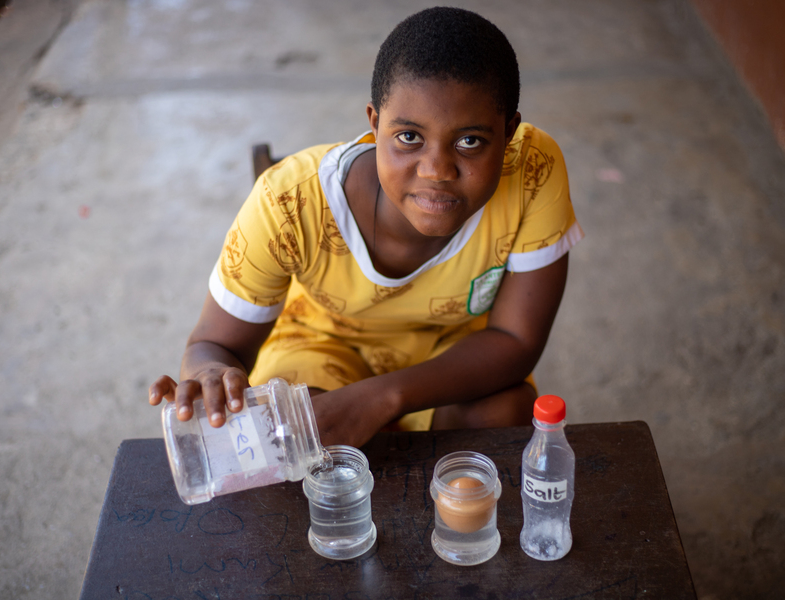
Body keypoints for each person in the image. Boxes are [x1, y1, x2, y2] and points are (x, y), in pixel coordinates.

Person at [148, 6, 583, 449]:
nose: (436, 170)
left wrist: (381, 399)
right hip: (319, 343)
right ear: (375, 125)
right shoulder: (288, 202)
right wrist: (210, 374)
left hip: (452, 355)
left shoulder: (532, 170)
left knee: (505, 414)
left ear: (509, 132)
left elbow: (515, 339)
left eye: (469, 141)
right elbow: (214, 345)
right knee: (298, 438)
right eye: (409, 137)